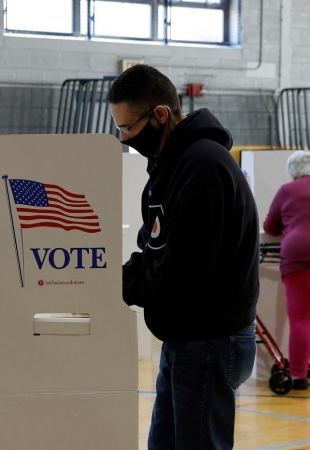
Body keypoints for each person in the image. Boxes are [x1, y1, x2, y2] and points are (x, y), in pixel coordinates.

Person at [108, 64, 259, 450]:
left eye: (128, 128)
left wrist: (125, 289)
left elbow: (184, 272)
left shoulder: (203, 165)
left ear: (160, 114)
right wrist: (109, 278)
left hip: (210, 337)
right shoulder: (168, 166)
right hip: (185, 337)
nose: (125, 138)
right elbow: (153, 251)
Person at [263, 150, 310, 390]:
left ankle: (300, 376)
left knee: (301, 320)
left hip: (298, 255)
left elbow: (270, 227)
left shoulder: (287, 191)